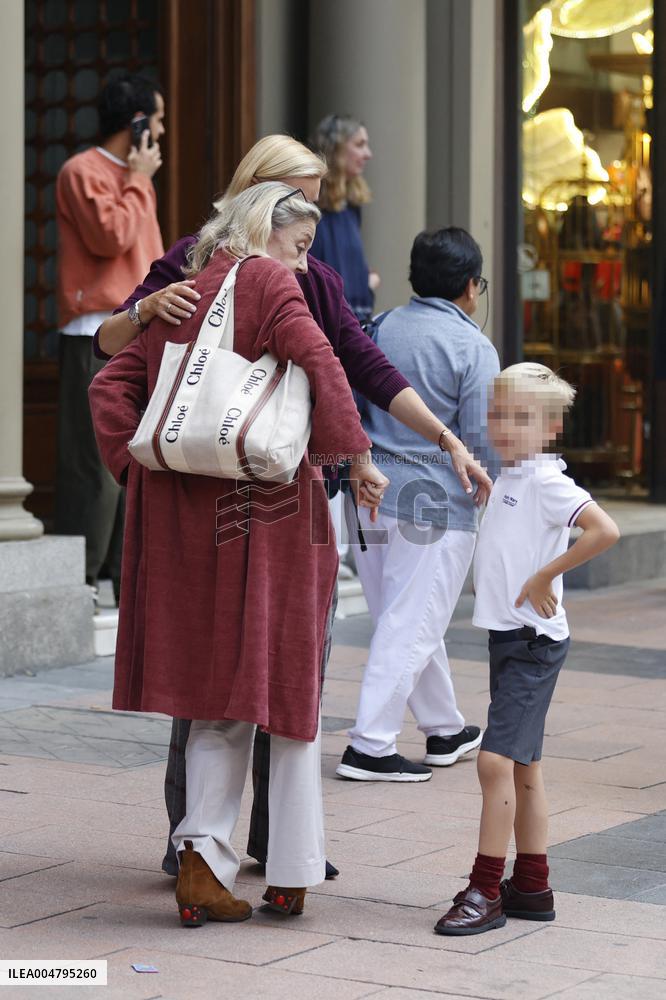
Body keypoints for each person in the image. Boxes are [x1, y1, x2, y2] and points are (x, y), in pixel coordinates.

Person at [93, 134, 492, 878]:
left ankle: (259, 847)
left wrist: (421, 442)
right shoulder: (196, 259)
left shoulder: (308, 275)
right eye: (300, 199)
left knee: (276, 671)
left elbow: (361, 364)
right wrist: (147, 317)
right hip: (218, 502)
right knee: (219, 677)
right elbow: (112, 355)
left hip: (283, 494)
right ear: (260, 195)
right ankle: (206, 845)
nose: (312, 214)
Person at [89, 182, 385, 926]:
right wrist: (357, 454)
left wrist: (140, 471)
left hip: (189, 524)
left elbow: (107, 389)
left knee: (216, 701)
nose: (305, 260)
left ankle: (202, 864)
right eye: (302, 242)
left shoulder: (185, 293)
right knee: (286, 696)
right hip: (274, 515)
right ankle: (290, 872)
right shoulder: (268, 283)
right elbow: (323, 362)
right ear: (266, 230)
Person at [434, 363, 620, 936]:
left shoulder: (545, 480)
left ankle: (486, 889)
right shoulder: (515, 475)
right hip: (510, 639)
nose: (505, 426)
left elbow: (604, 530)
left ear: (550, 428)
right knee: (524, 770)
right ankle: (532, 887)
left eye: (521, 418)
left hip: (533, 643)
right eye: (498, 414)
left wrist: (545, 577)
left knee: (493, 764)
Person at [337, 228, 500, 783]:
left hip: (371, 492)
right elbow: (481, 441)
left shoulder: (381, 326)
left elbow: (350, 404)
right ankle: (369, 744)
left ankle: (444, 728)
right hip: (437, 505)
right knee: (414, 622)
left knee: (401, 617)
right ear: (471, 287)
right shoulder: (472, 347)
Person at [54, 72, 165, 602]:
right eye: (158, 120)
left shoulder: (135, 178)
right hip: (93, 330)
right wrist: (138, 180)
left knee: (135, 453)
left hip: (140, 329)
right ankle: (85, 579)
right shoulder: (82, 172)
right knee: (92, 460)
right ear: (138, 122)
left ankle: (126, 580)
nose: (162, 133)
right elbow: (110, 238)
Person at [309, 114, 379, 325]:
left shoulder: (352, 206)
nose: (368, 154)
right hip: (324, 324)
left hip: (355, 321)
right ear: (335, 149)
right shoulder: (308, 207)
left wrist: (366, 283)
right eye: (359, 145)